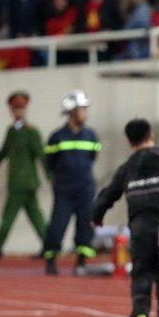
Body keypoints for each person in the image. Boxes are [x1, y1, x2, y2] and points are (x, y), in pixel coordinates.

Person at [92, 119, 159, 317]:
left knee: (142, 272)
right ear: (151, 134)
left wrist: (96, 216)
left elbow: (108, 194)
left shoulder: (127, 169)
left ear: (129, 141)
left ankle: (141, 314)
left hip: (140, 228)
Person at [0, 91, 48, 258]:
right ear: (11, 110)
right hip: (17, 182)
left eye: (21, 108)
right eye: (15, 108)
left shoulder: (32, 132)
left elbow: (42, 155)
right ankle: (50, 247)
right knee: (34, 218)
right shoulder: (11, 131)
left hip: (26, 183)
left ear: (26, 109)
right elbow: (2, 153)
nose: (18, 111)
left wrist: (52, 177)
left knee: (11, 219)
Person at [43, 90, 100, 275]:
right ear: (72, 112)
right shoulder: (56, 137)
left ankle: (81, 263)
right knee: (57, 225)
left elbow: (92, 157)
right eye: (82, 109)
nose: (85, 113)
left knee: (85, 225)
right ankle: (51, 261)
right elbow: (49, 162)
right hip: (64, 189)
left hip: (85, 188)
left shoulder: (91, 135)